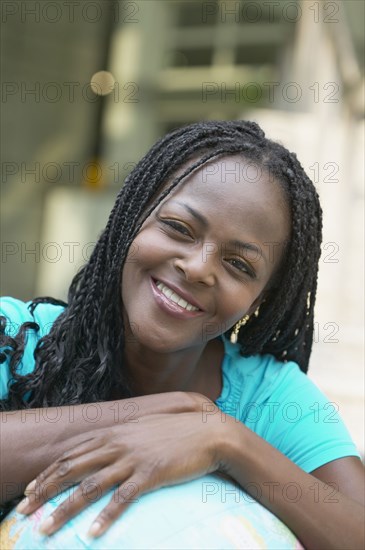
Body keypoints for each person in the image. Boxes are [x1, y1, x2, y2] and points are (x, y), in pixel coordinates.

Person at [0, 120, 363, 548]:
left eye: (239, 265)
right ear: (132, 217)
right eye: (178, 228)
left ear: (262, 299)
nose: (198, 267)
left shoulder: (269, 398)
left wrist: (226, 440)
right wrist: (169, 415)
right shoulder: (17, 336)